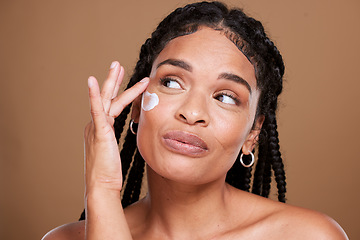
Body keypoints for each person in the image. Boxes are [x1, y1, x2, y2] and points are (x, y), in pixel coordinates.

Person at [42, 1, 348, 239]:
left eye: (226, 97)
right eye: (173, 82)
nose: (192, 113)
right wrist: (103, 189)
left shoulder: (308, 236)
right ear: (137, 107)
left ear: (253, 133)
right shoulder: (64, 239)